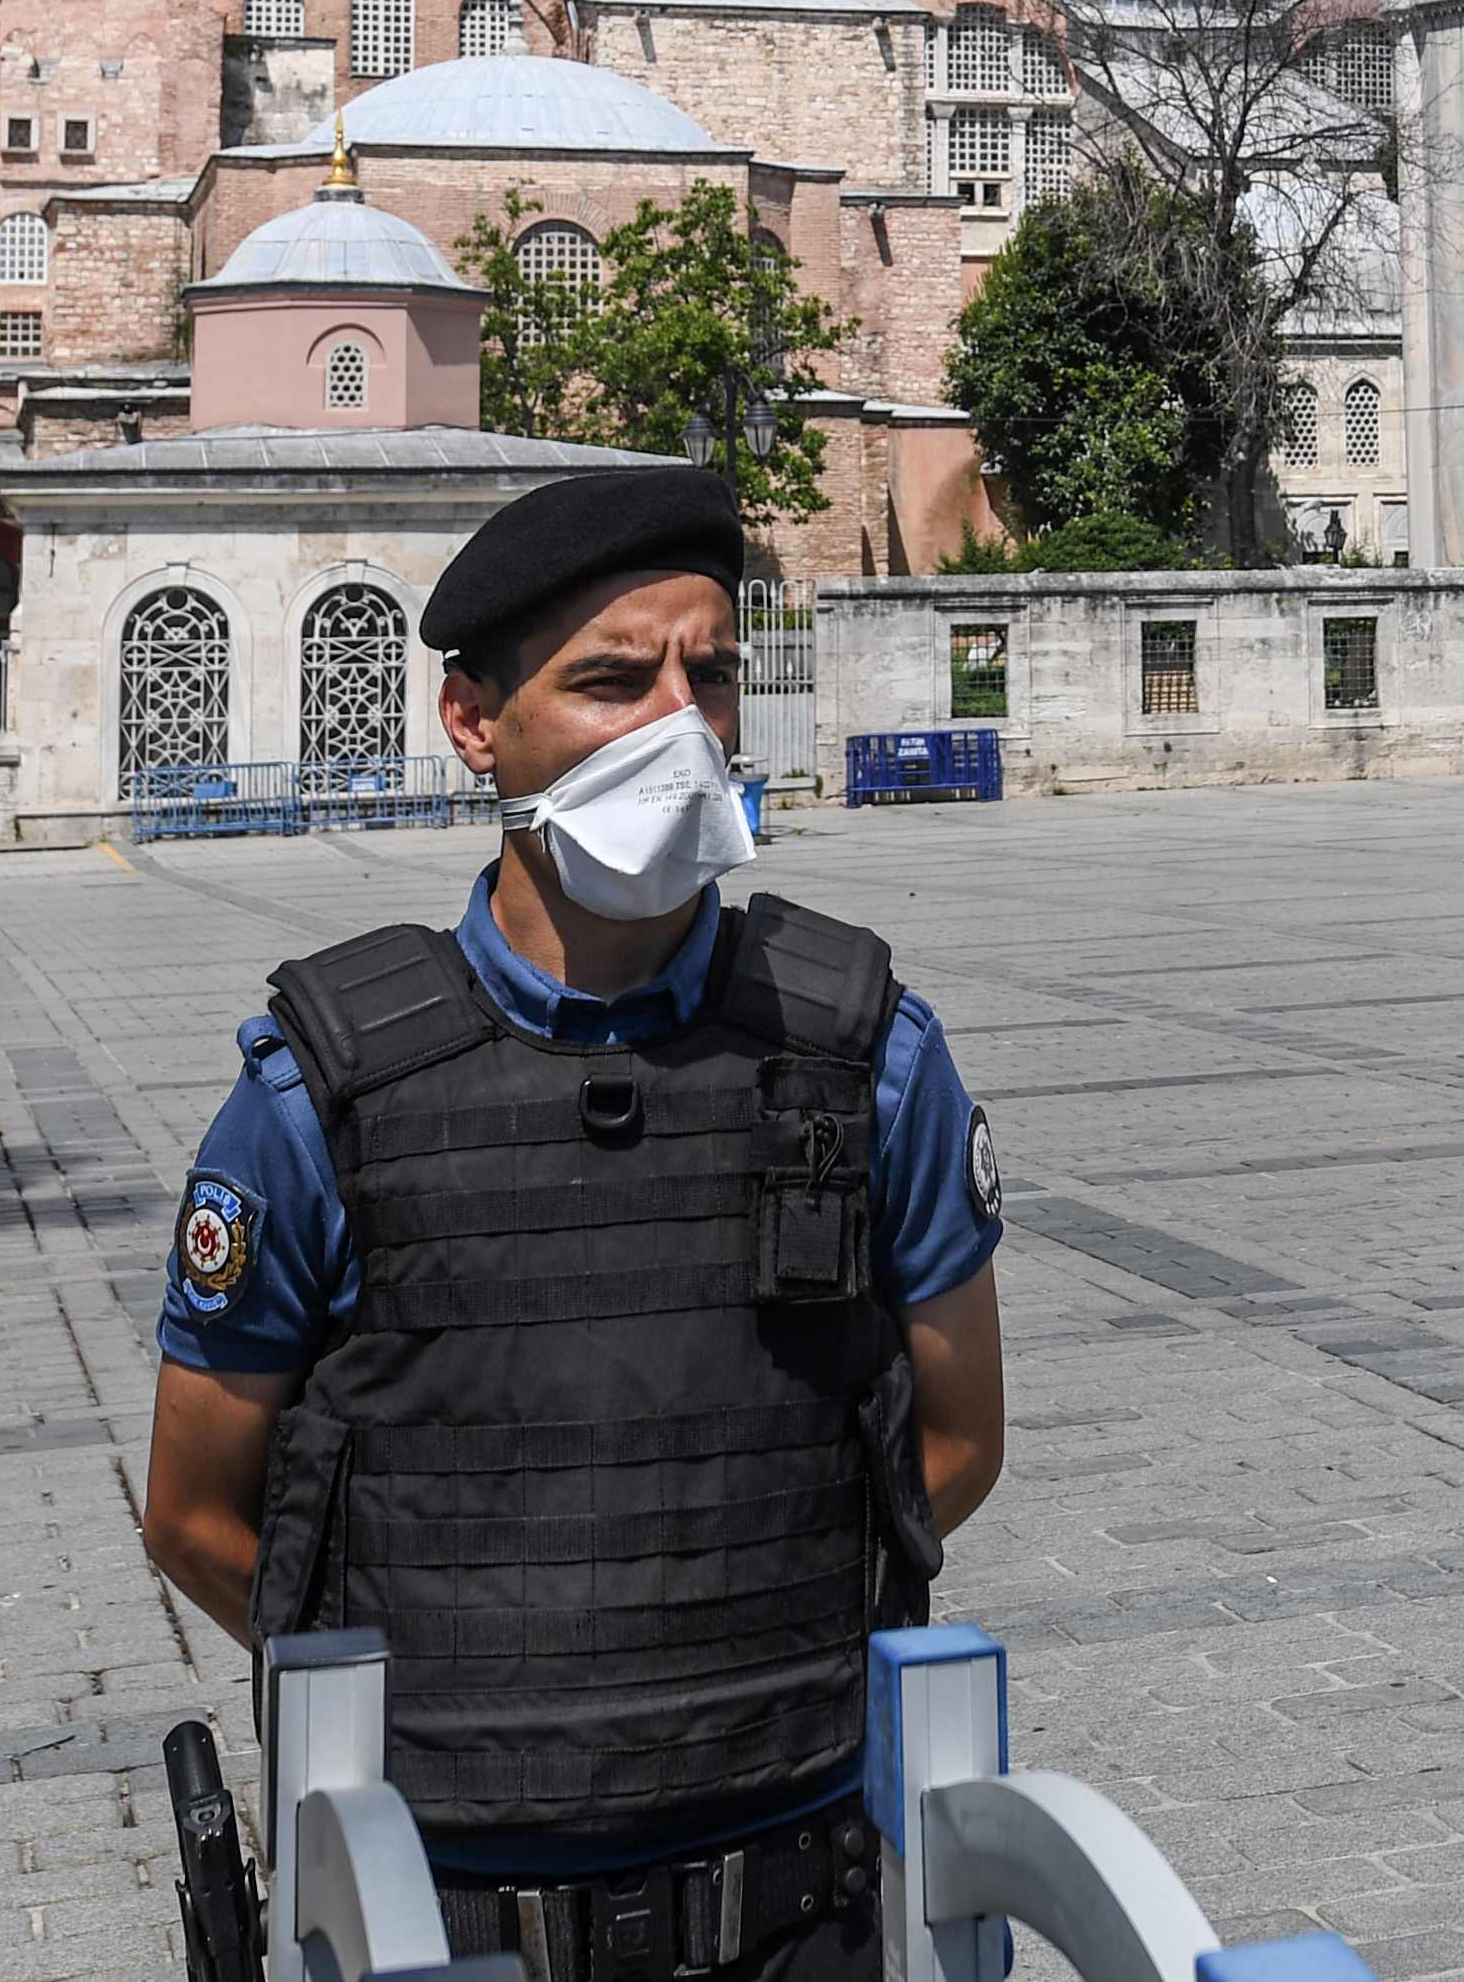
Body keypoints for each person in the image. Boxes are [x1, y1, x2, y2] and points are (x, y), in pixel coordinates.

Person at [141, 466, 1005, 1982]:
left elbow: (954, 1442)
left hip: (799, 1908)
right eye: (615, 678)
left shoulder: (870, 1052)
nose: (679, 725)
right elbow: (199, 1512)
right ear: (473, 721)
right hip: (447, 1924)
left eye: (711, 674)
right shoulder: (319, 1100)